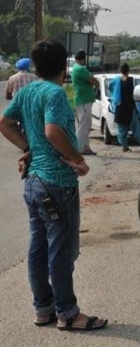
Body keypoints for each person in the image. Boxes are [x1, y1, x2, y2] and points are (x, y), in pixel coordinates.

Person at [0, 38, 108, 331]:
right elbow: (52, 132)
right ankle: (67, 313)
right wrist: (76, 159)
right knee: (61, 250)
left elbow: (5, 123)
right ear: (65, 66)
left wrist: (27, 149)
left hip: (33, 181)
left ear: (36, 66)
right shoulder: (55, 94)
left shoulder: (27, 91)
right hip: (56, 183)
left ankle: (43, 308)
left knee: (38, 247)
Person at [109, 63, 140, 152]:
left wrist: (115, 93)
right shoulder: (132, 81)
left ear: (120, 70)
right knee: (137, 129)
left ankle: (124, 146)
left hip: (120, 108)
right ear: (128, 70)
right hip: (130, 108)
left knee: (122, 129)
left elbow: (110, 86)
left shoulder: (116, 80)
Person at [71, 50, 99, 156]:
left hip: (83, 99)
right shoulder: (80, 69)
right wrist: (96, 83)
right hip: (83, 100)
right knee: (83, 125)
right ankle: (80, 147)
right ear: (83, 59)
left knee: (86, 124)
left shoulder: (76, 68)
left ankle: (85, 146)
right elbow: (93, 80)